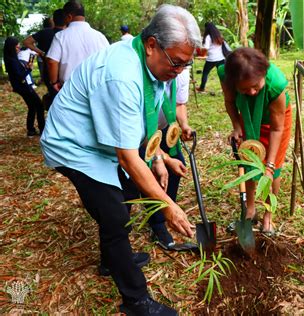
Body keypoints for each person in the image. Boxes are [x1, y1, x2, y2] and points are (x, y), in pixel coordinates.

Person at [40, 4, 200, 315]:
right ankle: (136, 301)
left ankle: (111, 259)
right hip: (74, 146)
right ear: (152, 44)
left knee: (125, 197)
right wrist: (168, 203)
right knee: (115, 214)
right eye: (177, 63)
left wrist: (159, 158)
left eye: (186, 64)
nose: (179, 71)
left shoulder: (154, 65)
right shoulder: (122, 75)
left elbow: (145, 121)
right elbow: (127, 157)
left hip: (105, 143)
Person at [218, 47, 292, 235]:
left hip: (275, 123)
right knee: (248, 162)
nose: (251, 92)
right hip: (248, 116)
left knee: (272, 172)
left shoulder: (275, 83)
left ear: (263, 75)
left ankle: (268, 216)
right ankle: (250, 210)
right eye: (244, 89)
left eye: (255, 86)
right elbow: (229, 101)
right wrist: (237, 126)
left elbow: (277, 128)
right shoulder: (225, 75)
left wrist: (269, 166)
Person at [148, 67, 198, 251]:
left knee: (177, 168)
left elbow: (179, 104)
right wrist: (160, 159)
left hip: (167, 127)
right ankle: (157, 224)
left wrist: (184, 125)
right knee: (153, 173)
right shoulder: (146, 74)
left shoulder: (182, 72)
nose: (180, 69)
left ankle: (166, 210)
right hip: (143, 127)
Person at [47, 0, 109, 92]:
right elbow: (109, 60)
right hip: (96, 87)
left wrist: (54, 82)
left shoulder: (61, 36)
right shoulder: (100, 36)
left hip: (70, 88)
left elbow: (52, 61)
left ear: (69, 16)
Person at [23, 9, 67, 108]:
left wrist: (41, 52)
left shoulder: (45, 32)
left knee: (53, 95)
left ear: (54, 20)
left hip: (48, 70)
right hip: (65, 70)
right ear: (67, 19)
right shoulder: (67, 33)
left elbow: (26, 42)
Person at [3, 37, 45, 137]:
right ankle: (42, 129)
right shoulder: (12, 60)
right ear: (11, 48)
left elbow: (18, 72)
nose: (18, 48)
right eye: (16, 47)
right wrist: (29, 69)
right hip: (23, 86)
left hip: (21, 86)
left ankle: (31, 130)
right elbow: (20, 76)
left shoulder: (12, 58)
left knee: (32, 106)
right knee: (39, 105)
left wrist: (25, 67)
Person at [196, 22, 226, 92]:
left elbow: (206, 48)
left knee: (205, 73)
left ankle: (202, 88)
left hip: (212, 59)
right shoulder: (219, 35)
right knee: (221, 74)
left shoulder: (208, 37)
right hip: (221, 58)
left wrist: (202, 54)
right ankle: (225, 89)